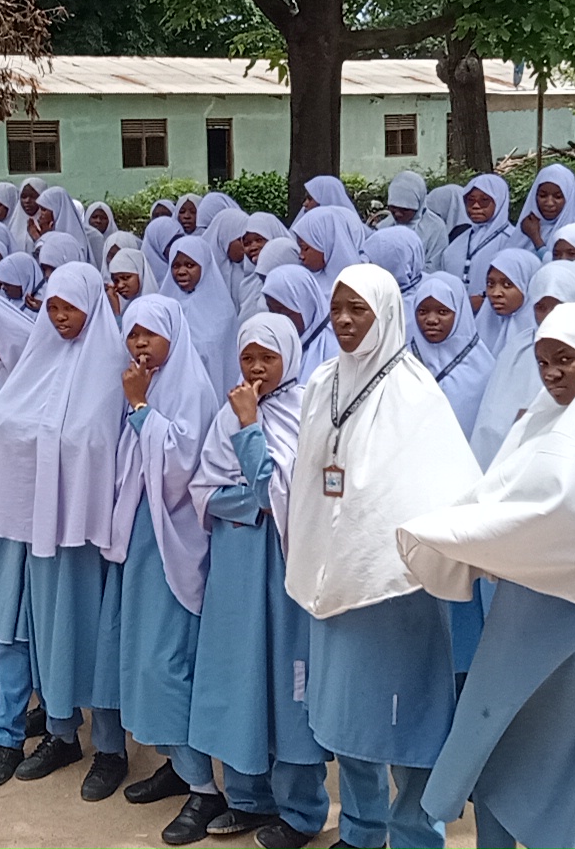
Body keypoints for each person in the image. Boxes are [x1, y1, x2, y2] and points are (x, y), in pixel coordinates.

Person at [397, 302, 575, 849]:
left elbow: (573, 524)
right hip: (517, 616)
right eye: (543, 361)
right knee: (499, 741)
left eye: (566, 360)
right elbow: (495, 496)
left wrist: (473, 538)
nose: (552, 373)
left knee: (565, 760)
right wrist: (457, 531)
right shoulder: (536, 422)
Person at [286, 264, 469, 849]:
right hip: (333, 579)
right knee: (346, 719)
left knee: (407, 724)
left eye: (356, 309)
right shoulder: (322, 383)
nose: (342, 320)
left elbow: (448, 488)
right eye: (336, 307)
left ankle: (417, 834)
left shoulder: (414, 393)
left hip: (396, 587)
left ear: (384, 313)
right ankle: (363, 830)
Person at [0, 262, 129, 797]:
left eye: (71, 308)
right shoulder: (33, 362)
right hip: (18, 524)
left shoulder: (112, 369)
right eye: (53, 307)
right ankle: (31, 735)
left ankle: (109, 748)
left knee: (83, 637)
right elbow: (2, 430)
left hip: (76, 533)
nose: (60, 318)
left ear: (92, 306)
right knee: (14, 629)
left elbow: (104, 447)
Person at [188, 314, 331, 849]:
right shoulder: (228, 414)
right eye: (247, 357)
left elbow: (292, 487)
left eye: (266, 358)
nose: (254, 368)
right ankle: (247, 798)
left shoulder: (307, 412)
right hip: (237, 566)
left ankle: (301, 810)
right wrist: (258, 501)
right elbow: (206, 489)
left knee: (289, 679)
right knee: (239, 672)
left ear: (289, 358)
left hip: (287, 568)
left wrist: (251, 434)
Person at [107, 296, 223, 843]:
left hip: (176, 540)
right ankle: (179, 767)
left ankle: (205, 790)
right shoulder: (144, 385)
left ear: (173, 336)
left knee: (166, 663)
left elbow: (179, 469)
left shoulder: (190, 389)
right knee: (143, 655)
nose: (140, 346)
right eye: (132, 336)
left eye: (150, 336)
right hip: (143, 539)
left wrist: (138, 409)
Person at [469, 262, 575, 468]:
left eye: (559, 306)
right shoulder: (519, 347)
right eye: (540, 307)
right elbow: (491, 421)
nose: (549, 316)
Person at [407, 273, 494, 437]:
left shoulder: (483, 369)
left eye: (443, 311)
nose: (431, 320)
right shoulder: (402, 364)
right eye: (423, 311)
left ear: (460, 312)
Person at [163, 235, 241, 395]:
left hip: (210, 389)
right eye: (176, 266)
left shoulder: (221, 311)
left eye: (190, 265)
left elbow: (218, 358)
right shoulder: (165, 306)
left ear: (204, 266)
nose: (181, 271)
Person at [440, 173, 526, 300]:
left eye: (484, 200)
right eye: (470, 200)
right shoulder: (456, 244)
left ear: (499, 201)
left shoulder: (514, 240)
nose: (475, 206)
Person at [378, 171, 450, 271]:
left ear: (418, 206)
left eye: (405, 209)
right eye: (393, 208)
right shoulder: (384, 227)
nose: (398, 214)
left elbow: (434, 266)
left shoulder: (435, 228)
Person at [518, 163, 575, 260]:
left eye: (558, 197)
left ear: (569, 198)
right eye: (543, 196)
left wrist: (536, 239)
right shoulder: (527, 227)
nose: (549, 203)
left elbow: (564, 268)